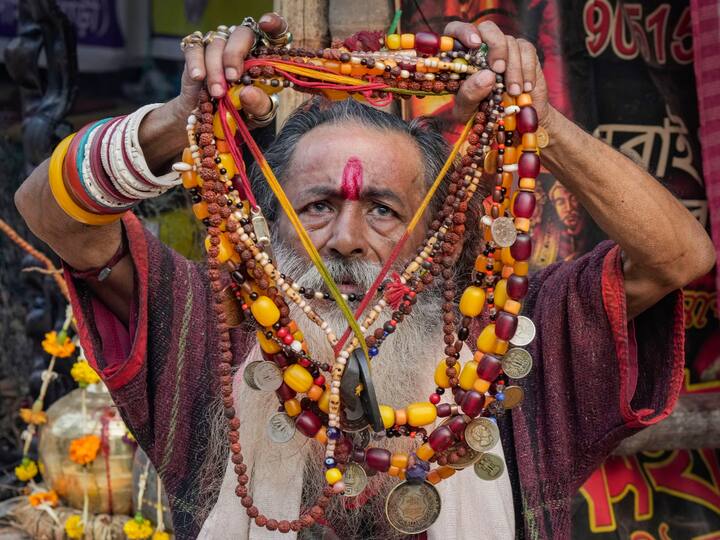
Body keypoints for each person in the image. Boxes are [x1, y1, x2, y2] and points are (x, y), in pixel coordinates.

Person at [15, 13, 715, 540]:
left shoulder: (509, 343)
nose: (344, 240)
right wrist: (179, 118)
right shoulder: (208, 329)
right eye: (316, 205)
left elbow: (680, 258)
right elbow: (46, 214)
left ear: (435, 238)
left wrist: (538, 120)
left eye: (383, 210)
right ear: (270, 221)